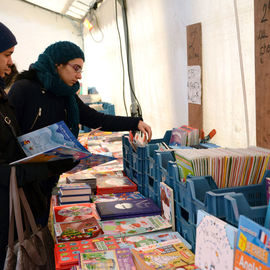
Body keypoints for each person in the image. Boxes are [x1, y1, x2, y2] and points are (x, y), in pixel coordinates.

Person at [8, 40, 152, 225]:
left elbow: (96, 119)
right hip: (24, 181)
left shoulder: (67, 94)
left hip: (50, 176)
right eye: (75, 68)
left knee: (41, 226)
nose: (79, 76)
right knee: (23, 232)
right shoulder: (24, 88)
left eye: (81, 70)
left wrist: (135, 122)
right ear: (57, 64)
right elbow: (8, 133)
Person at [0, 22, 78, 268]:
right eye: (6, 55)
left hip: (23, 197)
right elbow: (5, 167)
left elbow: (13, 144)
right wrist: (49, 164)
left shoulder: (2, 97)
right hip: (10, 208)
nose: (11, 63)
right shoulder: (23, 89)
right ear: (58, 65)